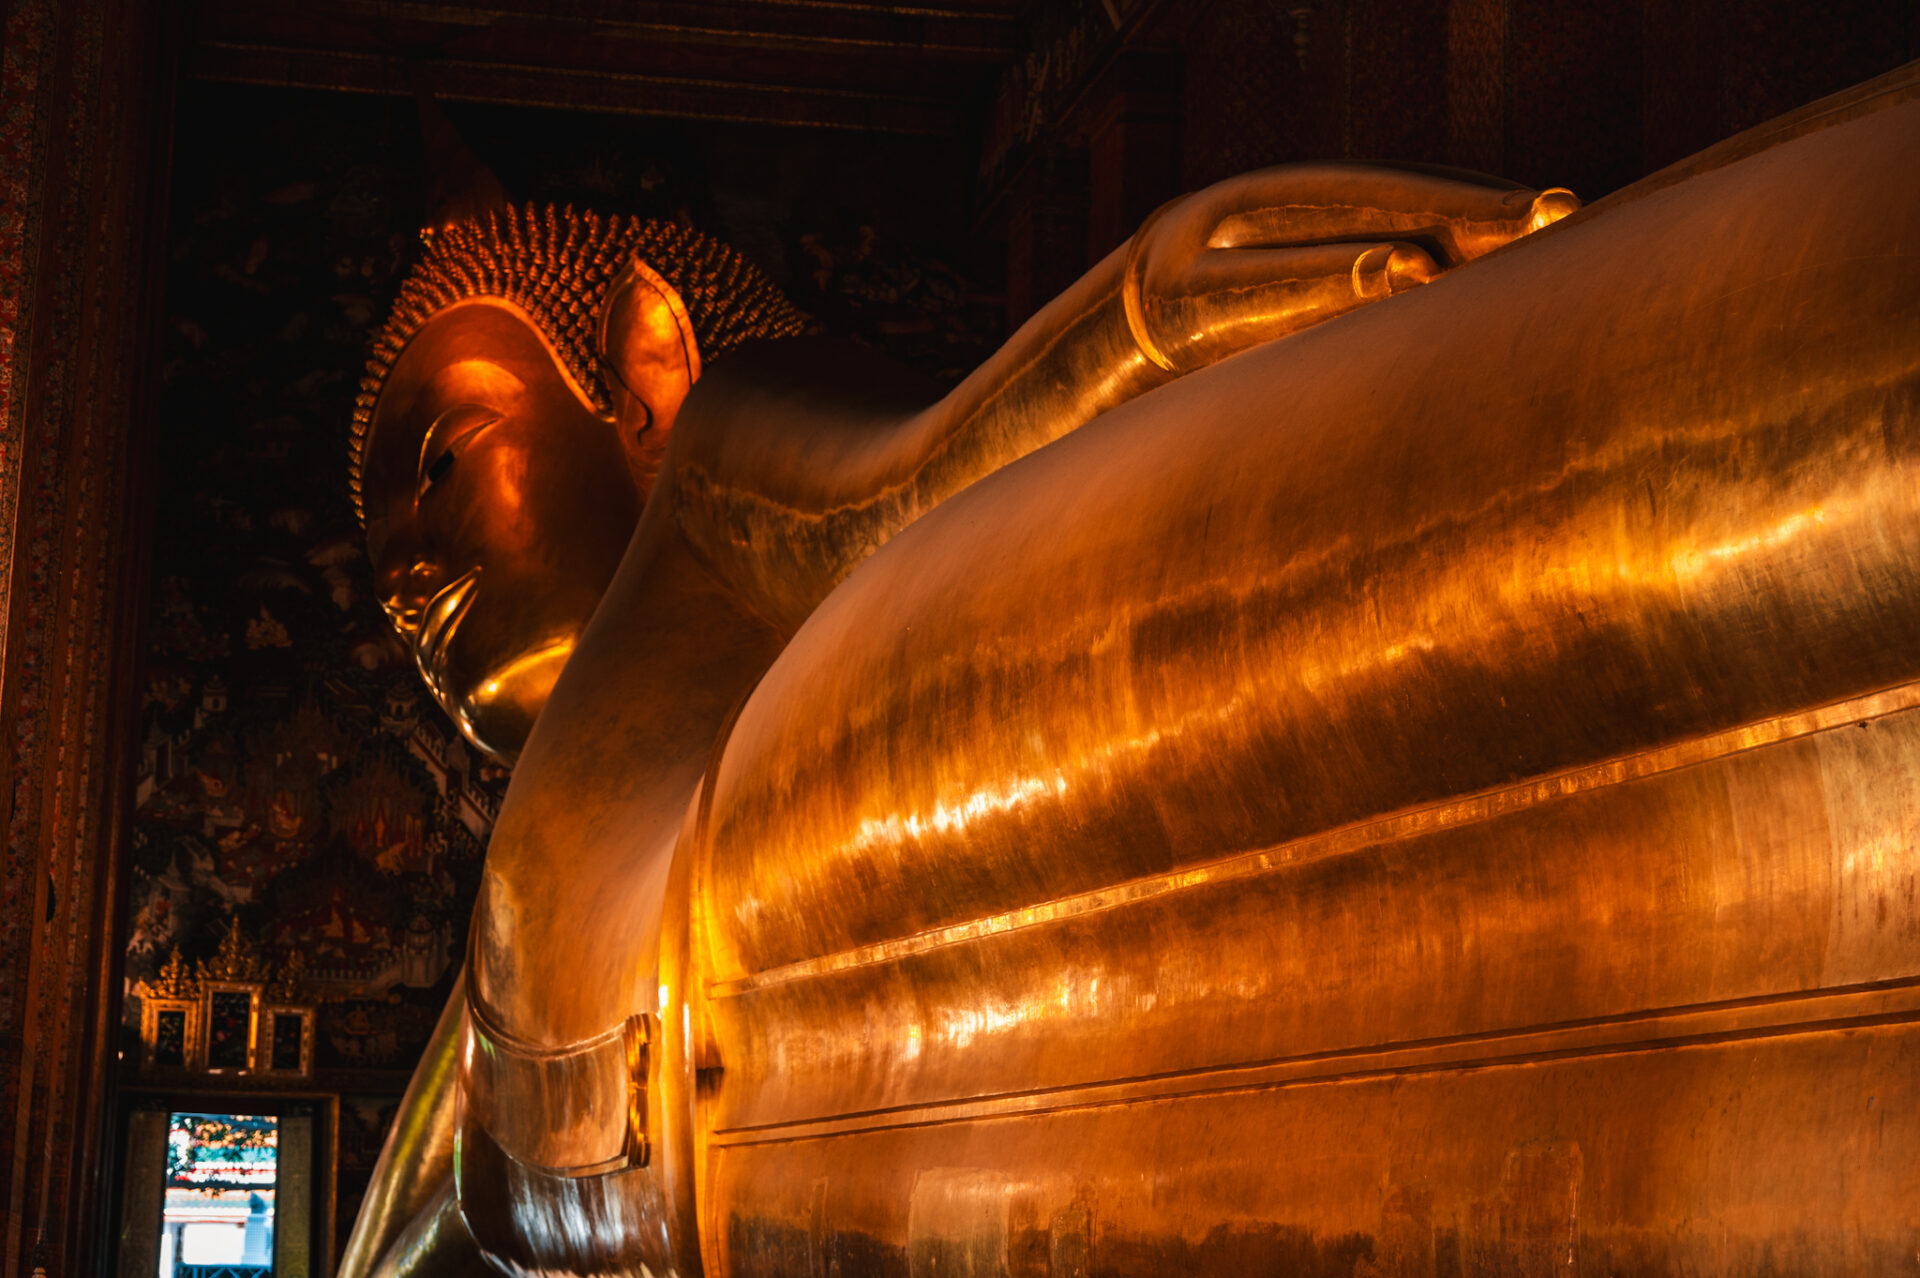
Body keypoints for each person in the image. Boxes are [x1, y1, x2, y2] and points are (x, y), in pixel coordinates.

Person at [343, 165, 1582, 1276]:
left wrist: (1135, 325)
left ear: (642, 379)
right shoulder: (519, 939)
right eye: (388, 560)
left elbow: (915, 478)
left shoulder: (725, 462)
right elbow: (430, 1215)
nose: (407, 581)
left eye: (442, 464)